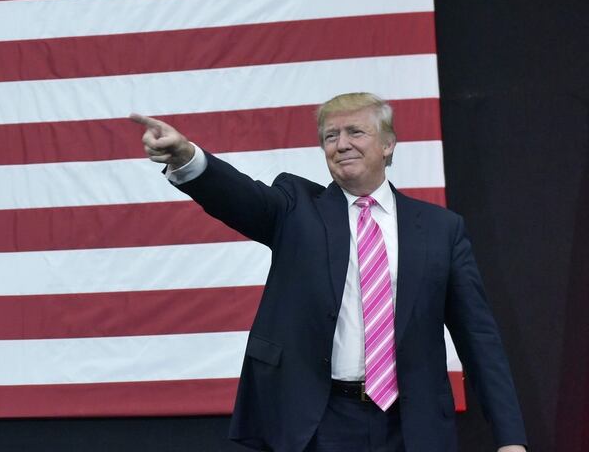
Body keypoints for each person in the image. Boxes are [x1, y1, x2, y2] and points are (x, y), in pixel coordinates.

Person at [130, 93, 527, 452]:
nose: (341, 144)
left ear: (388, 145)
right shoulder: (296, 208)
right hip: (320, 423)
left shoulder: (441, 230)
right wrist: (187, 158)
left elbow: (479, 339)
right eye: (330, 136)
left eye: (356, 131)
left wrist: (511, 439)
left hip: (411, 427)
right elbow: (240, 197)